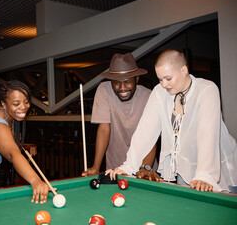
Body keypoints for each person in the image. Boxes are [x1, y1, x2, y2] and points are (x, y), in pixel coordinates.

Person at [107, 49, 237, 193]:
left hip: (221, 170)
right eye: (160, 79)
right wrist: (129, 166)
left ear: (184, 70)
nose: (163, 84)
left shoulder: (207, 89)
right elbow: (145, 131)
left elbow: (207, 134)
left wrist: (205, 175)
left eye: (168, 78)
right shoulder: (159, 92)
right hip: (184, 169)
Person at [82, 53, 161, 181]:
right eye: (117, 83)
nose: (122, 88)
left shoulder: (149, 96)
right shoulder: (104, 90)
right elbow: (104, 129)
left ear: (136, 79)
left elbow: (150, 137)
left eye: (127, 82)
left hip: (145, 169)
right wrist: (96, 167)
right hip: (115, 170)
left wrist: (145, 168)